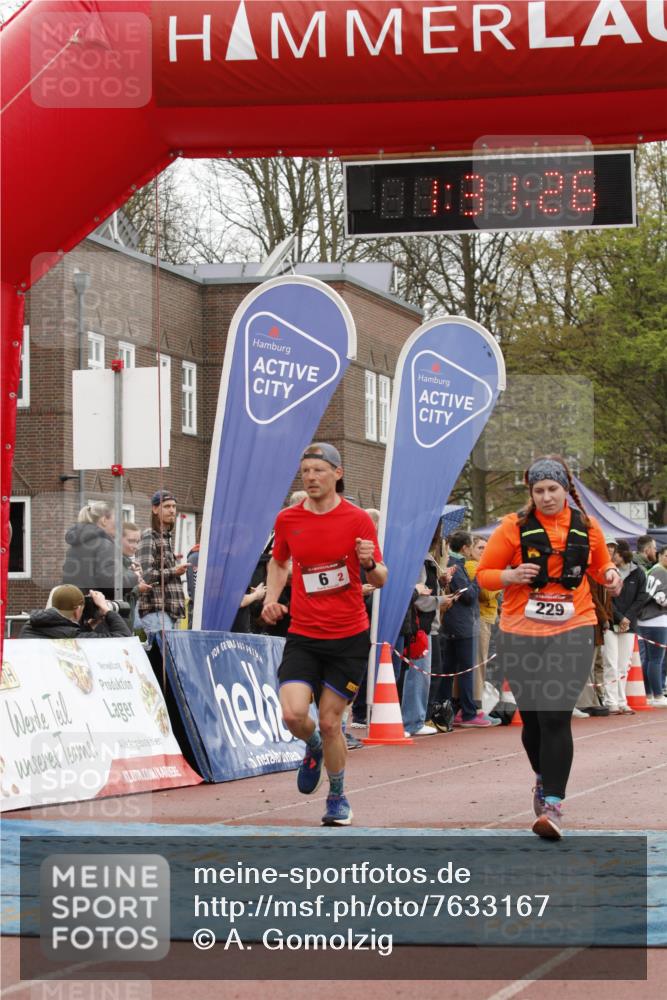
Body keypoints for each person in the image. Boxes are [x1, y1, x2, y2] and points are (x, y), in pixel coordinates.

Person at [477, 456, 622, 840]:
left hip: (573, 627)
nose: (545, 497)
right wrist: (509, 575)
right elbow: (484, 576)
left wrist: (611, 576)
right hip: (520, 632)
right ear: (531, 493)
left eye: (552, 489)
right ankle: (542, 778)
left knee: (557, 716)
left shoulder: (587, 527)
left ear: (565, 490)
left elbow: (601, 567)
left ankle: (554, 805)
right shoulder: (513, 528)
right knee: (535, 721)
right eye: (538, 490)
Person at [261, 443, 386, 827]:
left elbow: (380, 577)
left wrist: (368, 563)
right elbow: (279, 561)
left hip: (348, 636)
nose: (311, 477)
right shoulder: (287, 519)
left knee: (332, 722)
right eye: (306, 472)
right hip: (304, 633)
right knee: (292, 714)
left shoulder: (358, 520)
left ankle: (337, 796)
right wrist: (271, 599)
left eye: (318, 470)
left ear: (337, 473)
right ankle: (311, 746)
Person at [439, 530, 493, 727]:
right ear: (465, 548)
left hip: (458, 623)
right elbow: (469, 595)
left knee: (450, 669)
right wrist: (477, 579)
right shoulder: (457, 566)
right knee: (466, 669)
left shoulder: (457, 566)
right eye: (474, 546)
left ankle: (445, 708)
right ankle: (468, 712)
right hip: (461, 625)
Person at [603, 539, 648, 714]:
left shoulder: (638, 572)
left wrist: (628, 618)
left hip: (629, 623)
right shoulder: (607, 572)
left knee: (624, 664)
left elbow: (642, 596)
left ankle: (622, 700)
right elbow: (606, 598)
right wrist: (619, 617)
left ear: (622, 554)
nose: (613, 555)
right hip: (611, 622)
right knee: (611, 663)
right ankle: (610, 700)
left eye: (615, 551)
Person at [62, 501, 138, 598]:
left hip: (76, 606)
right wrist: (134, 576)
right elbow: (113, 585)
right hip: (97, 609)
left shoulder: (75, 546)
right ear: (104, 520)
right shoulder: (104, 545)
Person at [136, 490, 187, 633]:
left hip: (168, 613)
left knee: (167, 655)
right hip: (156, 612)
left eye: (174, 506)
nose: (172, 510)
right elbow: (145, 575)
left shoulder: (165, 538)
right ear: (155, 509)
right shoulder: (149, 536)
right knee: (161, 655)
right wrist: (174, 571)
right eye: (167, 506)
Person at [20, 586, 132, 639]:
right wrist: (106, 610)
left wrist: (91, 625)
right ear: (78, 611)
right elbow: (123, 638)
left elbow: (60, 631)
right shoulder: (72, 636)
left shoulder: (29, 626)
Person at [636, 545, 667, 706]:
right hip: (656, 619)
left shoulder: (651, 571)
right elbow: (661, 598)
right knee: (656, 659)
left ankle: (649, 694)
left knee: (648, 659)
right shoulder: (661, 572)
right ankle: (658, 694)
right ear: (660, 555)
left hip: (644, 619)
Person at [121, 521, 152, 626]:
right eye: (131, 541)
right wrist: (138, 588)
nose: (135, 546)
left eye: (137, 542)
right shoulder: (114, 563)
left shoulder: (127, 564)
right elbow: (116, 594)